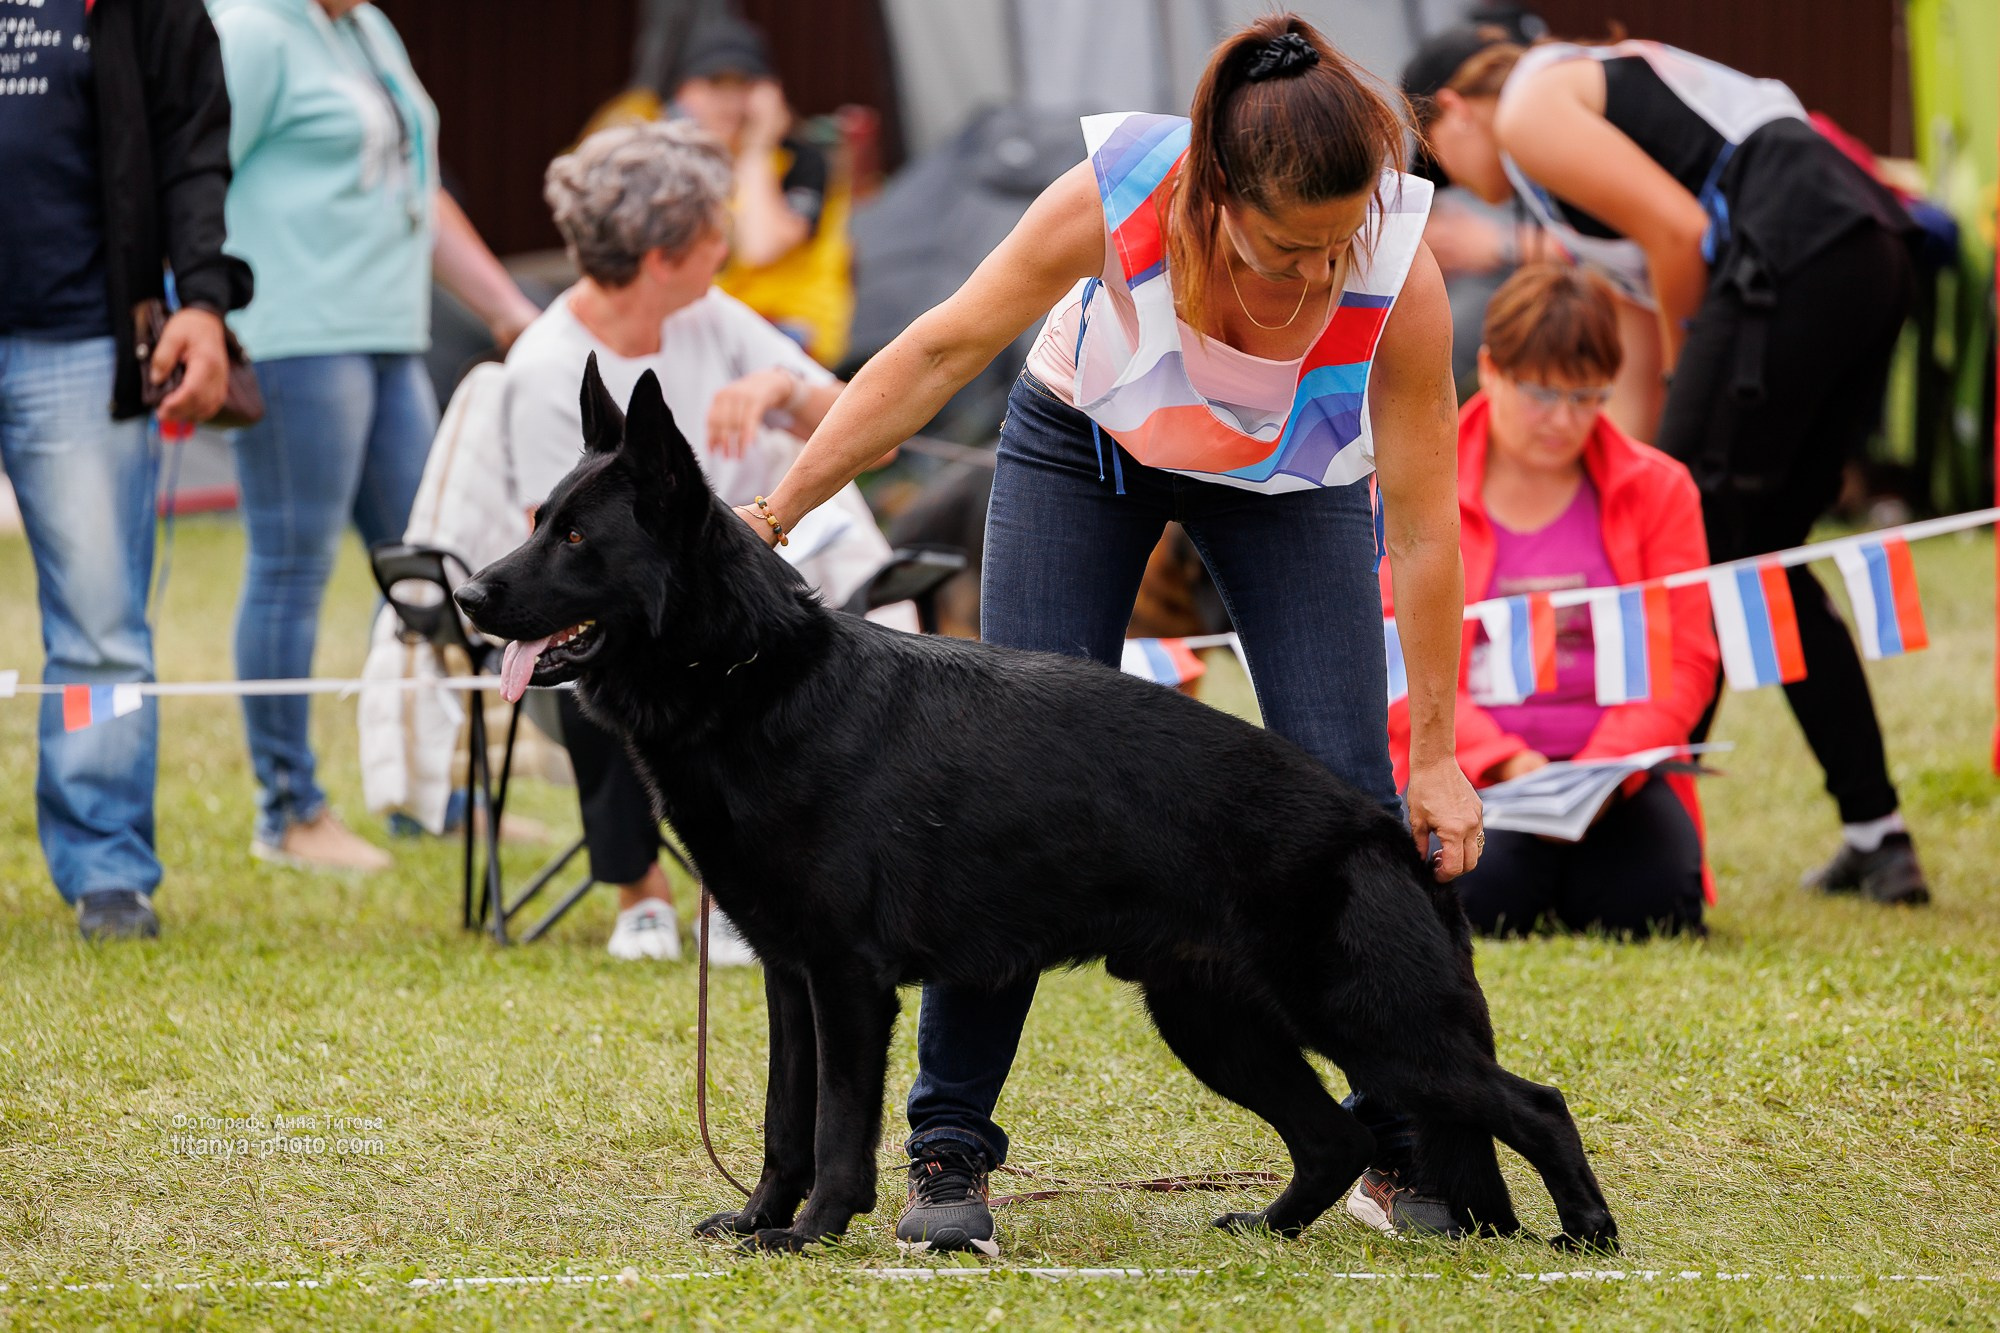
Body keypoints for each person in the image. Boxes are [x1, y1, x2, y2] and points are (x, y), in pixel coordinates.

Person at [732, 15, 1484, 1254]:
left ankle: (1401, 1141)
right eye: (1286, 244)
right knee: (998, 788)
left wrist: (1441, 752)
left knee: (1342, 786)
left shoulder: (1396, 260)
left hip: (1292, 480)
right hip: (1085, 448)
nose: (1312, 275)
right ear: (1216, 190)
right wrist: (774, 512)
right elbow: (937, 350)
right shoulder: (1122, 190)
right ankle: (950, 1143)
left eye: (1334, 243)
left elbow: (1420, 532)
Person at [1404, 27, 1930, 905]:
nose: (1469, 192)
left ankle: (1651, 827)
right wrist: (1641, 471)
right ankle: (1878, 834)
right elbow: (1638, 363)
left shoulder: (1534, 108)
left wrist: (1697, 388)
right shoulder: (1569, 178)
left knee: (1696, 557)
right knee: (1762, 563)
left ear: (1451, 109)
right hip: (1866, 245)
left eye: (1445, 167)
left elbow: (1683, 233)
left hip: (1794, 240)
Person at [506, 119, 902, 963]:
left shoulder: (713, 318)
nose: (730, 243)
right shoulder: (547, 367)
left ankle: (754, 887)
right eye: (714, 229)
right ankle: (641, 894)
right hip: (604, 615)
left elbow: (878, 433)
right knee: (623, 651)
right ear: (663, 255)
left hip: (741, 605)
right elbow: (562, 558)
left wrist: (780, 385)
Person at [212, 0, 541, 872]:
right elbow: (196, 176)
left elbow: (419, 190)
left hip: (391, 333)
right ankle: (288, 811)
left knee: (432, 564)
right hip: (292, 335)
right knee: (292, 565)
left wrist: (511, 312)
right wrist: (194, 318)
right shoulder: (251, 30)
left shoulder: (365, 27)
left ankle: (432, 793)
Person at [0, 0, 253, 940]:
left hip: (81, 342)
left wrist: (204, 301)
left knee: (102, 627)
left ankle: (107, 869)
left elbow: (194, 151)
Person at [1383, 263, 1719, 938]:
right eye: (1541, 394)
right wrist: (1502, 758)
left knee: (1654, 901)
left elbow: (1688, 660)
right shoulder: (1417, 482)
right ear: (1491, 369)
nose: (1563, 420)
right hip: (1474, 775)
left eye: (1587, 397)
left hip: (1616, 777)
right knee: (1482, 895)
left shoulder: (1661, 489)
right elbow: (1394, 665)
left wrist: (1608, 763)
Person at [668, 17, 853, 367]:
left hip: (794, 336)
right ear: (684, 93)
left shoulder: (804, 160)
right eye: (714, 83)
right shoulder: (684, 166)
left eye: (742, 84)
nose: (728, 100)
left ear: (769, 93)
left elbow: (760, 247)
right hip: (718, 327)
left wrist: (758, 147)